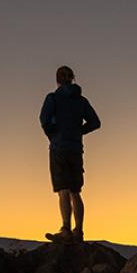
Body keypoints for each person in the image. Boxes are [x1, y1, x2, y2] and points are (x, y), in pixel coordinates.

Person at [40, 65, 100, 242]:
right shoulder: (81, 101)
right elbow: (95, 122)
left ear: (57, 80)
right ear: (72, 78)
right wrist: (79, 132)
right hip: (75, 148)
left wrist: (53, 135)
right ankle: (79, 231)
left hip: (59, 148)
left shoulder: (53, 98)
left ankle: (66, 229)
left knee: (63, 190)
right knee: (75, 190)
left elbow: (44, 120)